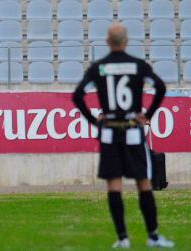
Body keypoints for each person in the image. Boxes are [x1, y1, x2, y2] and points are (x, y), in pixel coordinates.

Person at [72, 24, 173, 248]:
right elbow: (160, 87)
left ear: (107, 42)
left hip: (109, 132)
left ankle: (123, 238)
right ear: (126, 42)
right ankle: (153, 236)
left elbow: (78, 95)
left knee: (114, 184)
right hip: (132, 130)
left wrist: (94, 121)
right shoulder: (138, 66)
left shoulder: (99, 67)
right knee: (143, 183)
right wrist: (147, 114)